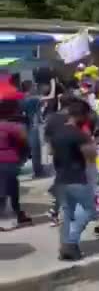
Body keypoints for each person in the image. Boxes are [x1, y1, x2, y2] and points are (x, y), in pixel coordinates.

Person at [51, 100, 98, 261]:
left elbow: (52, 152)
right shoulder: (79, 135)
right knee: (91, 211)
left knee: (67, 213)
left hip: (60, 179)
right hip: (77, 178)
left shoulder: (57, 133)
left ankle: (64, 247)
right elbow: (91, 156)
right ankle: (71, 242)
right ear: (81, 115)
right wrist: (93, 144)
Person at [0, 88, 32, 228]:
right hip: (9, 161)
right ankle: (15, 214)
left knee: (5, 189)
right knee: (11, 189)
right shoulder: (14, 126)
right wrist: (24, 156)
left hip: (7, 161)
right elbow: (25, 143)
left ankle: (13, 214)